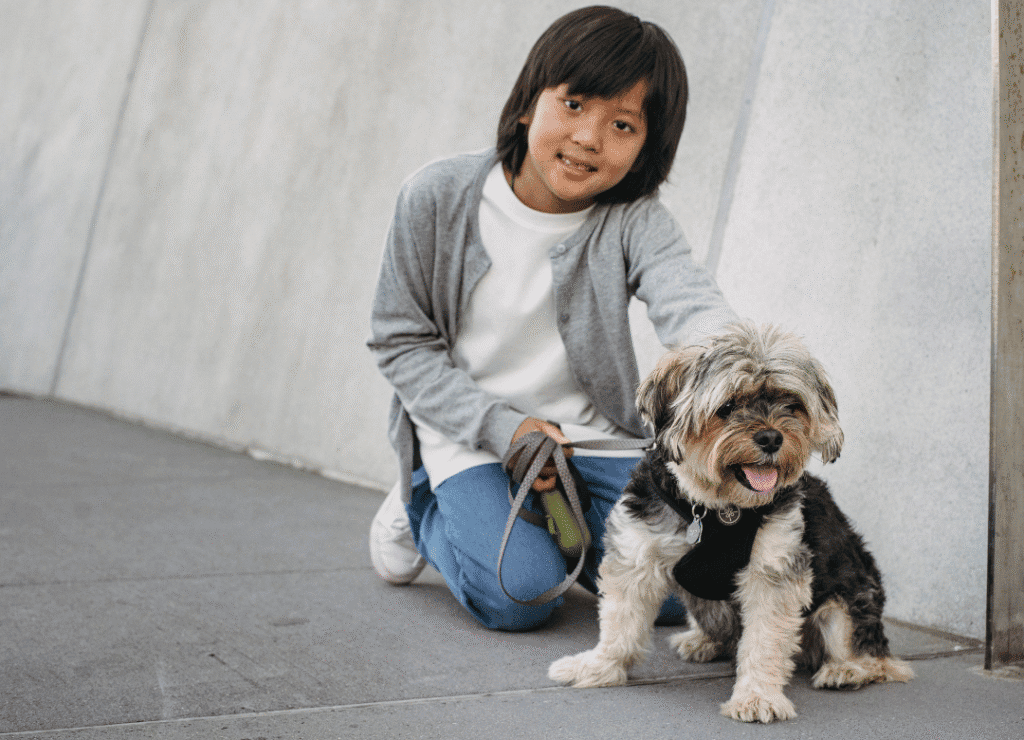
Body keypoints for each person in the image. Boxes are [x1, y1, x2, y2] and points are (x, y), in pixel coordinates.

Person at [367, 5, 736, 631]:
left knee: (687, 597)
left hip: (591, 441)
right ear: (526, 103)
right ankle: (422, 507)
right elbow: (402, 342)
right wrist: (501, 428)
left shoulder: (634, 219)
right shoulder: (436, 196)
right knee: (521, 595)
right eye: (573, 105)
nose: (589, 138)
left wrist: (739, 364)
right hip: (471, 436)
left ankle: (562, 525)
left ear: (648, 146)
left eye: (622, 124)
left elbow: (689, 301)